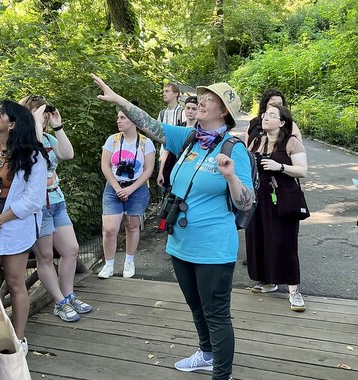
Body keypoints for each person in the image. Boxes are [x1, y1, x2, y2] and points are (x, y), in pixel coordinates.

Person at [92, 74, 255, 380]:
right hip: (181, 242)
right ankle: (206, 354)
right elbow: (150, 126)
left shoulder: (234, 150)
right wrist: (119, 100)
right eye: (201, 98)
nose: (200, 102)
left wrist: (232, 176)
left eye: (209, 99)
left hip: (213, 248)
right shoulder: (190, 138)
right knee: (196, 307)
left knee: (216, 313)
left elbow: (246, 202)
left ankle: (222, 374)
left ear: (223, 112)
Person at [0, 99, 48, 354]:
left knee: (16, 282)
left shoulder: (33, 155)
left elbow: (33, 198)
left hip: (13, 222)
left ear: (12, 124)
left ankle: (17, 340)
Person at [21, 95, 92, 322]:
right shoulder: (21, 140)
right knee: (45, 256)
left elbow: (68, 154)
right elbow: (35, 157)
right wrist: (34, 124)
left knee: (71, 249)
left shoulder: (49, 138)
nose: (43, 119)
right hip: (37, 208)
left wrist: (57, 125)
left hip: (56, 202)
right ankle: (59, 302)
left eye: (44, 114)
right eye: (39, 114)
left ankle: (68, 295)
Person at [245, 104, 308, 312]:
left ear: (282, 122)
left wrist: (279, 167)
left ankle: (293, 291)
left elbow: (302, 170)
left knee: (284, 242)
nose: (266, 117)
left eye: (272, 115)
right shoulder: (257, 140)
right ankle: (268, 281)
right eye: (265, 114)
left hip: (282, 199)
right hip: (257, 198)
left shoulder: (291, 142)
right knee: (259, 238)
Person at [97, 100, 155, 280]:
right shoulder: (112, 140)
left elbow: (148, 170)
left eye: (123, 117)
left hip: (136, 189)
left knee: (132, 226)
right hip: (114, 188)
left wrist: (130, 189)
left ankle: (129, 261)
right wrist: (116, 186)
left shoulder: (146, 143)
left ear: (133, 120)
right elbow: (105, 166)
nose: (118, 121)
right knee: (109, 229)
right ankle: (109, 264)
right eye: (118, 117)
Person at [156, 95, 199, 231]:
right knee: (169, 197)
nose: (190, 111)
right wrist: (161, 171)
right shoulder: (178, 128)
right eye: (188, 108)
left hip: (190, 171)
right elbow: (166, 151)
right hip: (172, 168)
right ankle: (164, 225)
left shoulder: (202, 131)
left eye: (194, 108)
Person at [156, 82, 185, 190]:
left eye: (167, 91)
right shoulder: (162, 113)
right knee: (163, 186)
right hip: (163, 155)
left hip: (178, 156)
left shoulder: (182, 113)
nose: (164, 94)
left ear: (175, 94)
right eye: (163, 91)